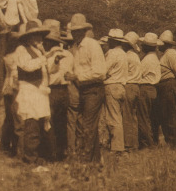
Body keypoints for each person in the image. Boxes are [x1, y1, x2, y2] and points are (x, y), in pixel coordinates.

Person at [66, 14, 106, 164]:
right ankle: (95, 160)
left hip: (94, 90)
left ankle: (86, 160)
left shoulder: (92, 45)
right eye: (73, 31)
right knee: (89, 125)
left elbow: (100, 72)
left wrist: (77, 77)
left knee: (88, 125)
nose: (75, 33)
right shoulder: (77, 47)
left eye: (78, 30)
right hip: (84, 90)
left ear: (84, 30)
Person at [9, 24, 52, 164]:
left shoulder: (39, 51)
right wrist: (44, 58)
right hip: (28, 91)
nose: (39, 38)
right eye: (35, 35)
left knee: (40, 125)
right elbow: (27, 66)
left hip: (39, 92)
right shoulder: (21, 50)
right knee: (31, 124)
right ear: (28, 37)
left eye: (40, 35)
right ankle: (29, 157)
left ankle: (37, 154)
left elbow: (45, 71)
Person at [42, 21, 71, 162]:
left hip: (52, 91)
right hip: (65, 91)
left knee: (50, 123)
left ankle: (51, 153)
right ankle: (62, 151)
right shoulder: (68, 54)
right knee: (62, 123)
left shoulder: (47, 56)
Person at [155, 29, 176, 148]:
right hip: (166, 86)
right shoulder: (166, 55)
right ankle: (170, 142)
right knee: (166, 115)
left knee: (171, 115)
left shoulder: (171, 54)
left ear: (165, 44)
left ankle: (174, 145)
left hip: (170, 85)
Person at [100, 29, 128, 155]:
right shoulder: (123, 53)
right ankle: (118, 145)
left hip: (111, 86)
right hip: (121, 86)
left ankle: (117, 148)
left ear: (112, 41)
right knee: (118, 116)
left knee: (113, 117)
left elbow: (103, 70)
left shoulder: (112, 53)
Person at [133, 33, 161, 150]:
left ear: (146, 46)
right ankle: (152, 141)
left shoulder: (146, 60)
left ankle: (147, 144)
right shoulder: (155, 58)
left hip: (145, 88)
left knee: (143, 118)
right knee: (150, 117)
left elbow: (138, 74)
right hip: (153, 89)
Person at [121, 31, 144, 151]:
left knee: (127, 116)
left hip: (129, 86)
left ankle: (128, 144)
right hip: (136, 87)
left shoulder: (127, 56)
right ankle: (134, 143)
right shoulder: (136, 56)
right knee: (133, 116)